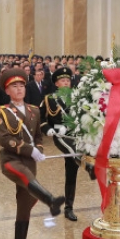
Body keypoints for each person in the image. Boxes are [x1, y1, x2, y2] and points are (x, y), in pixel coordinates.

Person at [0, 69, 65, 239]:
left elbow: (38, 137)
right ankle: (50, 200)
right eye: (14, 86)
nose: (19, 89)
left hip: (30, 161)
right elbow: (4, 139)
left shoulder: (34, 110)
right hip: (11, 160)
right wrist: (29, 149)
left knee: (24, 206)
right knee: (24, 175)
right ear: (7, 90)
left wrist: (39, 149)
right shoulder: (1, 112)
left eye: (21, 86)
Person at [40, 67, 81, 221]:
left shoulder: (77, 97)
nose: (66, 82)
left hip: (77, 135)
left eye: (68, 80)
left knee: (71, 171)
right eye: (62, 80)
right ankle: (88, 165)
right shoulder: (49, 99)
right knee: (73, 154)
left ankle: (68, 208)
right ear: (56, 84)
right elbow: (41, 118)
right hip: (61, 136)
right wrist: (48, 129)